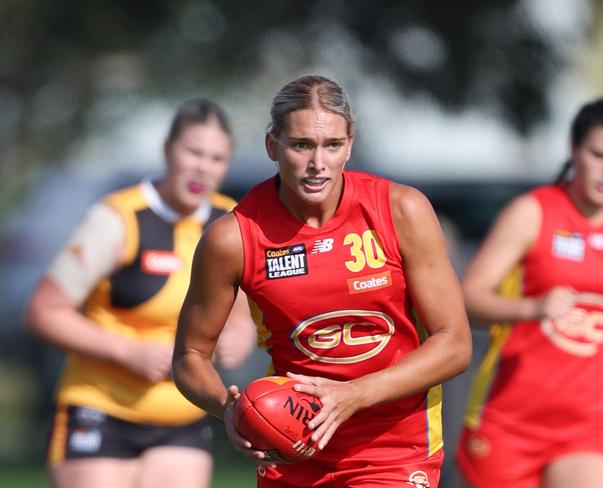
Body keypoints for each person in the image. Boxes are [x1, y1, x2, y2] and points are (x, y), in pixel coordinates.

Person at [172, 74, 472, 488]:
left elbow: (454, 344)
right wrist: (230, 409)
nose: (318, 163)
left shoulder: (402, 210)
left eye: (332, 145)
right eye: (301, 145)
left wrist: (355, 395)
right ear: (272, 147)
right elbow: (189, 354)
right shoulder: (233, 238)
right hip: (292, 449)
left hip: (394, 449)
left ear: (349, 145)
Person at [25, 98, 256, 488]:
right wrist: (127, 352)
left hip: (182, 417)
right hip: (101, 409)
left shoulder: (228, 221)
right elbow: (44, 312)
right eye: (193, 152)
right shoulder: (117, 218)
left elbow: (239, 308)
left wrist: (242, 334)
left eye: (216, 159)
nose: (203, 166)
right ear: (168, 151)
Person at [455, 98, 603, 488]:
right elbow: (467, 299)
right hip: (508, 422)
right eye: (599, 155)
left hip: (588, 427)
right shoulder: (533, 212)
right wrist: (532, 307)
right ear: (575, 149)